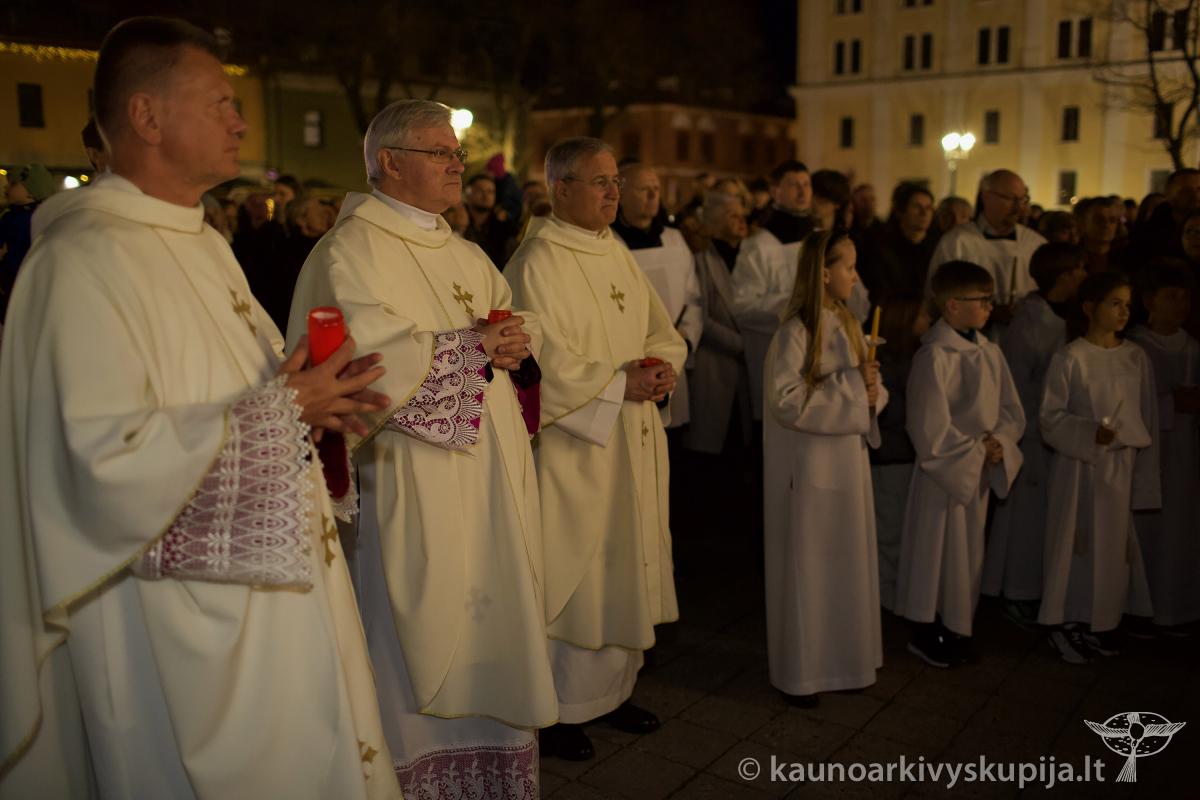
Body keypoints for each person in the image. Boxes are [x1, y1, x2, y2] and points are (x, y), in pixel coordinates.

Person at [0, 17, 400, 798]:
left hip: (272, 589)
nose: (240, 123)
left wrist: (313, 404)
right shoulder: (80, 260)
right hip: (170, 621)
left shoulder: (204, 243)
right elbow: (96, 468)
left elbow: (236, 396)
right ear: (146, 116)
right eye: (221, 103)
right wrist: (285, 409)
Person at [287, 99, 554, 796]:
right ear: (389, 162)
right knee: (416, 624)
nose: (456, 165)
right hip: (411, 475)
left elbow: (504, 323)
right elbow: (361, 365)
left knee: (496, 604)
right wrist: (472, 347)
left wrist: (514, 342)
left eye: (456, 153)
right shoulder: (348, 251)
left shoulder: (464, 251)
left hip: (493, 470)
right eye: (440, 152)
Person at [505, 136, 687, 762]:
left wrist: (660, 368)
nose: (614, 192)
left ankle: (612, 693)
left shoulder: (615, 250)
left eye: (615, 181)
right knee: (575, 570)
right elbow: (537, 363)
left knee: (625, 562)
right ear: (560, 189)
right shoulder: (536, 262)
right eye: (601, 181)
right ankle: (558, 706)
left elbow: (661, 331)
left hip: (631, 437)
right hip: (576, 447)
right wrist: (616, 385)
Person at [763, 229, 886, 707]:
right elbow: (786, 401)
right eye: (848, 267)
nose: (855, 276)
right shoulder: (796, 332)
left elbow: (867, 390)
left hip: (848, 467)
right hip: (811, 469)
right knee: (810, 569)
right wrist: (853, 386)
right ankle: (804, 672)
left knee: (846, 563)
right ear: (823, 272)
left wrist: (871, 391)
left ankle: (846, 661)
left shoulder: (849, 323)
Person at [895, 260, 1025, 668]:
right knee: (935, 553)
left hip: (977, 471)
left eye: (989, 299)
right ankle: (926, 630)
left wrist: (1001, 442)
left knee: (967, 556)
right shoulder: (934, 356)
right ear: (952, 305)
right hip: (943, 475)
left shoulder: (990, 351)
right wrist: (975, 451)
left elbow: (1011, 410)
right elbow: (927, 427)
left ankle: (957, 627)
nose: (989, 307)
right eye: (981, 300)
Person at [1039, 272, 1159, 662]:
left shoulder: (1135, 357)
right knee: (1076, 543)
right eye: (1115, 303)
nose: (1124, 312)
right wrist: (1090, 432)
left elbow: (1148, 415)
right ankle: (1065, 620)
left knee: (1113, 546)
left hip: (1120, 466)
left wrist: (1143, 473)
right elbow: (1050, 417)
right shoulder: (1071, 356)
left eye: (1128, 305)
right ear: (1090, 307)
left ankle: (1102, 620)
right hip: (1080, 468)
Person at [982, 243, 1087, 627]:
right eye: (1080, 269)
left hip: (1055, 429)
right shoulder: (1030, 322)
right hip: (1031, 430)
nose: (1084, 275)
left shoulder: (1064, 317)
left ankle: (1038, 587)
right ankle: (1016, 589)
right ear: (1065, 276)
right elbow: (1014, 380)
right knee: (1024, 519)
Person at [1125, 264, 1200, 633]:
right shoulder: (1136, 347)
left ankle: (1175, 607)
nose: (1180, 305)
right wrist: (1172, 403)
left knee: (1180, 528)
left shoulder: (1192, 347)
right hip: (1150, 451)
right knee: (1147, 526)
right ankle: (1139, 606)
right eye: (1172, 297)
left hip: (1184, 452)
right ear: (1150, 301)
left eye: (1185, 298)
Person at [610, 162, 703, 429]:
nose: (653, 196)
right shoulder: (611, 244)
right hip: (630, 359)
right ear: (621, 194)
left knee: (672, 432)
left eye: (656, 189)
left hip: (673, 351)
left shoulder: (675, 240)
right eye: (643, 189)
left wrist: (685, 338)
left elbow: (693, 297)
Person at [731, 160, 814, 419]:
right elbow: (742, 305)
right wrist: (796, 304)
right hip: (776, 351)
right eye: (794, 185)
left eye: (806, 184)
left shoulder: (821, 238)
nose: (802, 191)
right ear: (776, 191)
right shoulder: (759, 246)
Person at [869, 290, 931, 612]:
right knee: (889, 530)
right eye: (921, 315)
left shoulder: (915, 358)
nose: (928, 320)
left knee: (904, 529)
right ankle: (884, 595)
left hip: (907, 456)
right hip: (891, 457)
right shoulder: (887, 364)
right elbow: (889, 414)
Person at [928, 170, 1047, 322]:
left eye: (1022, 199)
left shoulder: (1035, 243)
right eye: (1010, 199)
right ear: (986, 197)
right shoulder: (957, 241)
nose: (1018, 208)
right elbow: (938, 296)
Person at [685, 190, 752, 457]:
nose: (741, 220)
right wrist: (745, 345)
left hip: (744, 374)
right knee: (712, 455)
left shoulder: (748, 256)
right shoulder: (701, 258)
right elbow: (701, 317)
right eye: (732, 215)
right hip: (713, 366)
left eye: (742, 214)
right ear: (714, 221)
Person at [858, 182, 936, 306]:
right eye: (917, 207)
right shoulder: (879, 247)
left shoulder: (936, 247)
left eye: (928, 208)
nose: (924, 213)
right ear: (900, 211)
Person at [0, 164, 56, 322]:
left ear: (31, 190)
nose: (6, 187)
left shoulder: (32, 218)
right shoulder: (10, 216)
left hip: (24, 280)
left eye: (13, 184)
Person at [1132, 168, 1200, 260]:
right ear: (1169, 196)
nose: (1196, 196)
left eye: (1199, 189)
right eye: (1186, 191)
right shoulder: (1148, 237)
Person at [463, 172, 520, 269]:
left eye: (490, 191)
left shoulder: (504, 229)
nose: (486, 196)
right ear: (468, 194)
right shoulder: (457, 221)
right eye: (480, 190)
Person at [1076, 196, 1124, 274]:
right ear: (1084, 223)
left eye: (1112, 220)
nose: (1106, 225)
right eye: (1099, 219)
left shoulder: (1127, 260)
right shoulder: (1071, 260)